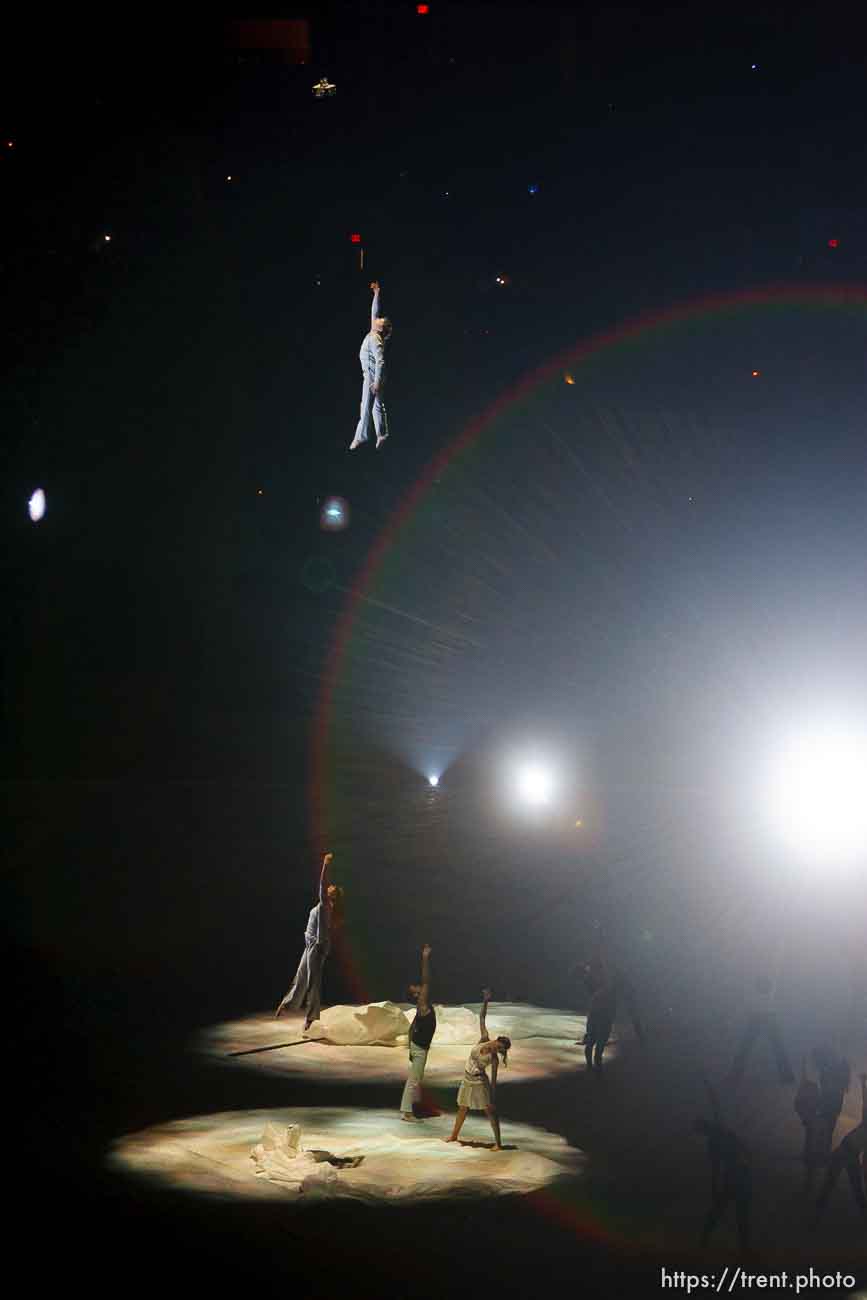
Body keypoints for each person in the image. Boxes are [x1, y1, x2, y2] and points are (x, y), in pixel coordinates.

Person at [275, 852, 344, 1029]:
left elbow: (321, 883)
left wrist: (325, 864)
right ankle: (288, 1003)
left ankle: (311, 1016)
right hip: (312, 945)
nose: (329, 887)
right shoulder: (325, 907)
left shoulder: (324, 905)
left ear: (331, 896)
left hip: (317, 947)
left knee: (313, 981)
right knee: (301, 975)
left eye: (331, 888)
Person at [445, 988, 511, 1150]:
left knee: (489, 1111)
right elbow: (481, 1018)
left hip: (480, 1082)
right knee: (462, 1108)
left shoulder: (494, 1059)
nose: (498, 1049)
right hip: (467, 1078)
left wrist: (493, 1098)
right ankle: (454, 1135)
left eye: (501, 1049)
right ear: (496, 1040)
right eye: (499, 1046)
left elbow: (493, 1081)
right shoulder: (484, 1038)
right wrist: (486, 1000)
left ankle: (498, 1143)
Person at [695, 1074, 753, 1254]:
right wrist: (709, 1088)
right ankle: (744, 1247)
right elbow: (716, 1107)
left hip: (732, 1176)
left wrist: (715, 1187)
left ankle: (705, 1238)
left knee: (718, 1210)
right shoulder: (721, 1129)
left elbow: (716, 1169)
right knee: (741, 1214)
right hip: (743, 1172)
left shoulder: (713, 1143)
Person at [814, 1071, 866, 1220]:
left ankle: (817, 1210)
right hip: (848, 1152)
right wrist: (863, 1084)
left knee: (832, 1183)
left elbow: (865, 1101)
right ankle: (818, 1210)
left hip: (847, 1151)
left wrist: (863, 1084)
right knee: (847, 1186)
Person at [728, 973, 795, 1085]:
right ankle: (787, 1076)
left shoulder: (760, 980)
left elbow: (753, 997)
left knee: (746, 1047)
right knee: (776, 1047)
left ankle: (734, 1076)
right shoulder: (772, 979)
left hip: (761, 1015)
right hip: (766, 1014)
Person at [349, 280, 391, 450]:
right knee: (377, 405)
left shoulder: (376, 339)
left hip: (373, 375)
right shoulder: (374, 332)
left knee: (366, 406)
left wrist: (376, 381)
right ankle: (382, 433)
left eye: (379, 320)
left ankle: (361, 436)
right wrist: (376, 294)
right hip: (377, 375)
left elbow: (380, 361)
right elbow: (374, 311)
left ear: (381, 328)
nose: (376, 319)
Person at [400, 944, 436, 1122]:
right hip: (420, 1048)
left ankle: (414, 1107)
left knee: (417, 1078)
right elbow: (427, 980)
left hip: (419, 1047)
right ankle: (407, 1112)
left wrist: (410, 1049)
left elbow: (410, 1029)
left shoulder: (420, 1008)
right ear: (415, 992)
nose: (421, 988)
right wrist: (425, 958)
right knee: (414, 1079)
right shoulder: (422, 1003)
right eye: (417, 987)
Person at [794, 1056, 824, 1192]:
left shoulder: (808, 1090)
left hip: (812, 1121)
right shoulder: (810, 1089)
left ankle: (810, 1177)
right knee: (811, 1146)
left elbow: (800, 1104)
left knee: (811, 1147)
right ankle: (810, 1176)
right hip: (812, 1120)